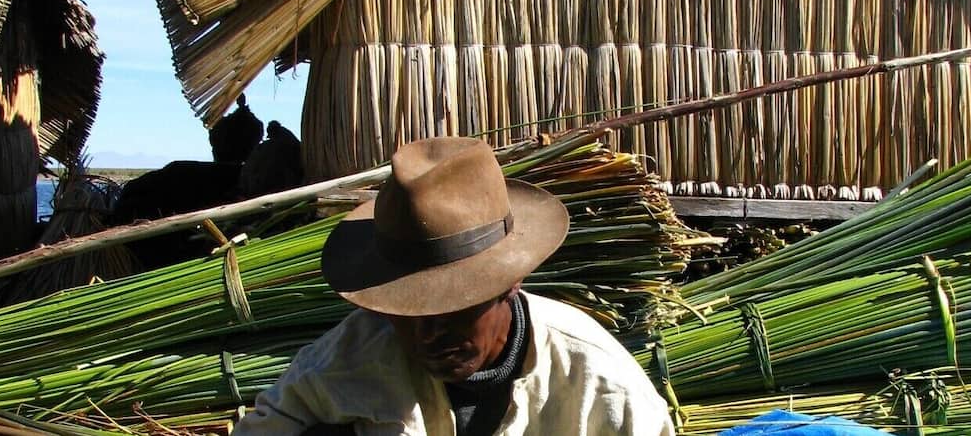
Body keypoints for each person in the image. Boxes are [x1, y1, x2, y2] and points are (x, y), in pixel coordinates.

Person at [233, 137, 674, 435]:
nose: (427, 335)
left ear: (510, 282)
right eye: (407, 312)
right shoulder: (353, 357)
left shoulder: (597, 379)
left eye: (453, 308)